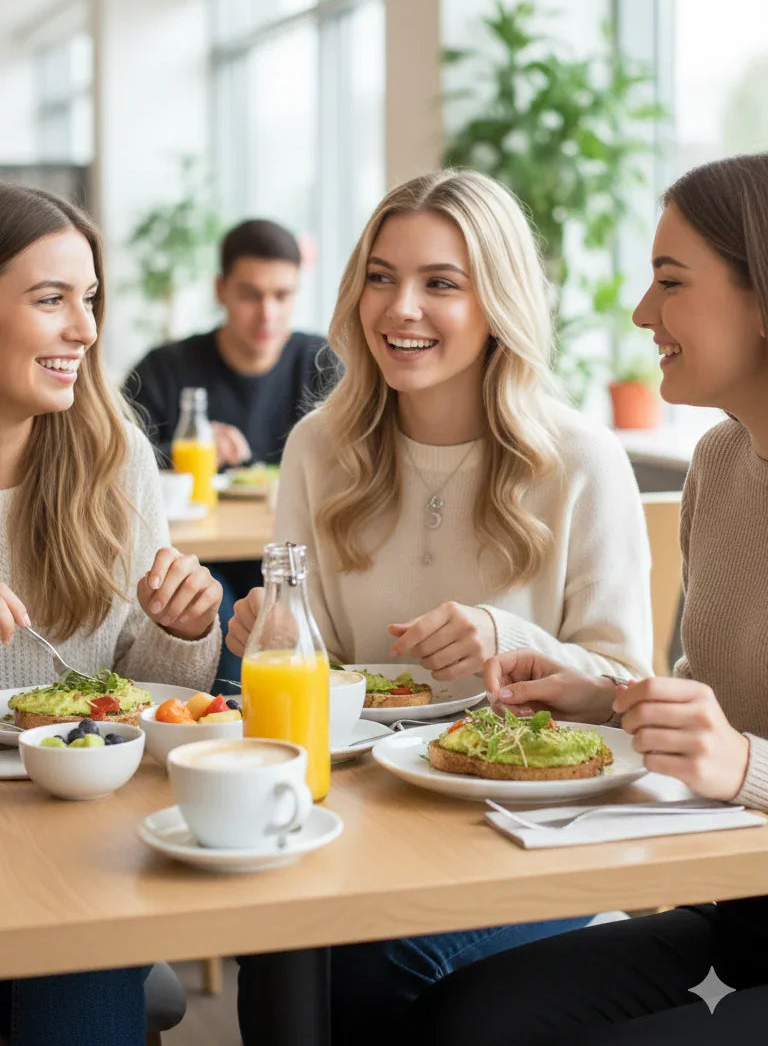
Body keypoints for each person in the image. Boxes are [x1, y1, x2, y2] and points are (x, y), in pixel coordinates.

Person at [228, 169, 653, 1044]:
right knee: (273, 950)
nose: (400, 309)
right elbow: (323, 668)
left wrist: (509, 635)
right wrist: (268, 633)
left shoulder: (579, 459)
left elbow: (628, 690)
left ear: (496, 302)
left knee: (367, 966)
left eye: (440, 284)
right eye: (381, 277)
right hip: (363, 816)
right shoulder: (320, 447)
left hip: (527, 832)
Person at [404, 152, 768, 1046]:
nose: (643, 312)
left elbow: (735, 753)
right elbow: (715, 706)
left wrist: (743, 770)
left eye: (670, 282)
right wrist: (602, 699)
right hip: (743, 921)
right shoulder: (720, 468)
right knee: (461, 1022)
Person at [0, 181, 222, 1046]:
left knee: (75, 970)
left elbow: (141, 695)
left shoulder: (112, 452)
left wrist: (183, 629)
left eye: (89, 300)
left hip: (83, 828)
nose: (86, 332)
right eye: (50, 299)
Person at [123, 217, 336, 694]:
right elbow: (117, 455)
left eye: (282, 296)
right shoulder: (165, 368)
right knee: (218, 603)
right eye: (250, 295)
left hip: (289, 556)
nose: (267, 314)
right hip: (201, 557)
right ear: (220, 290)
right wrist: (181, 452)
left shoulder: (322, 363)